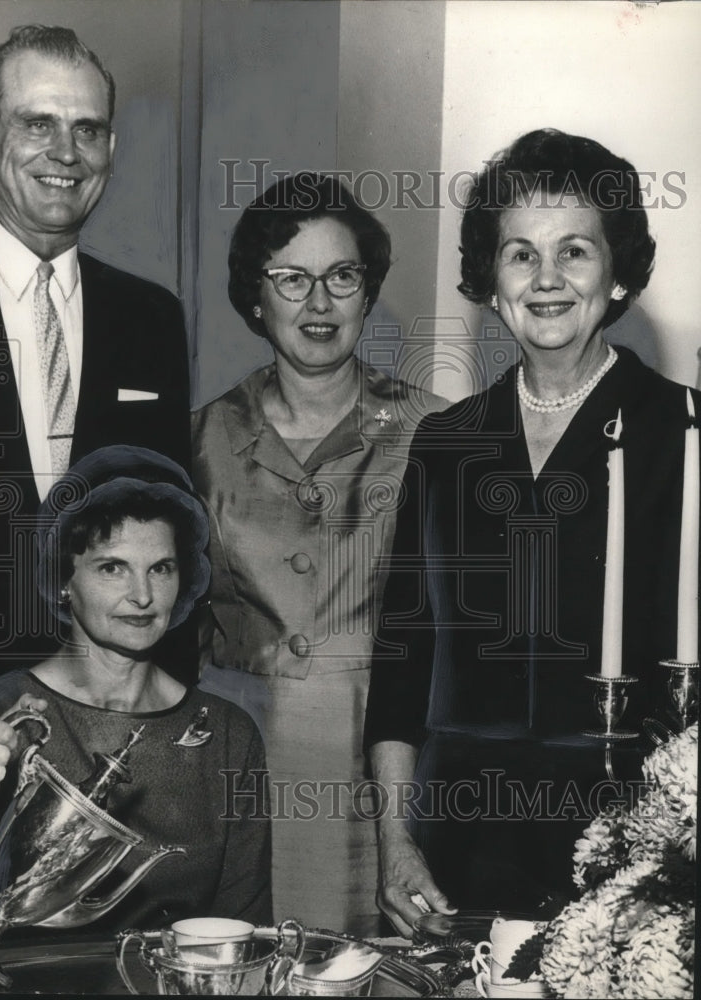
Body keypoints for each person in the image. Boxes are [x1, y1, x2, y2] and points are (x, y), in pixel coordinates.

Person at [364, 128, 701, 936]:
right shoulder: (446, 443)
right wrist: (393, 839)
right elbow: (401, 666)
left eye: (574, 251)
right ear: (490, 277)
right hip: (457, 843)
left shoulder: (681, 432)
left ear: (616, 272)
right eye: (520, 254)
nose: (546, 280)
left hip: (633, 850)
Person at [191, 173, 446, 935]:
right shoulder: (195, 441)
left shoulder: (434, 431)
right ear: (254, 298)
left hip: (382, 765)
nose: (319, 303)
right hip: (234, 761)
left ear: (367, 293)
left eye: (341, 276)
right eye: (291, 279)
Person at [0, 26, 191, 702]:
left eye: (87, 129)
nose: (65, 153)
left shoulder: (150, 316)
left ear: (109, 147)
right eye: (37, 123)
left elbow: (168, 517)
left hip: (109, 705)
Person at [0, 446, 271, 937]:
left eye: (160, 568)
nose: (142, 595)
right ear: (62, 582)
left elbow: (244, 927)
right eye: (112, 567)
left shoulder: (227, 733)